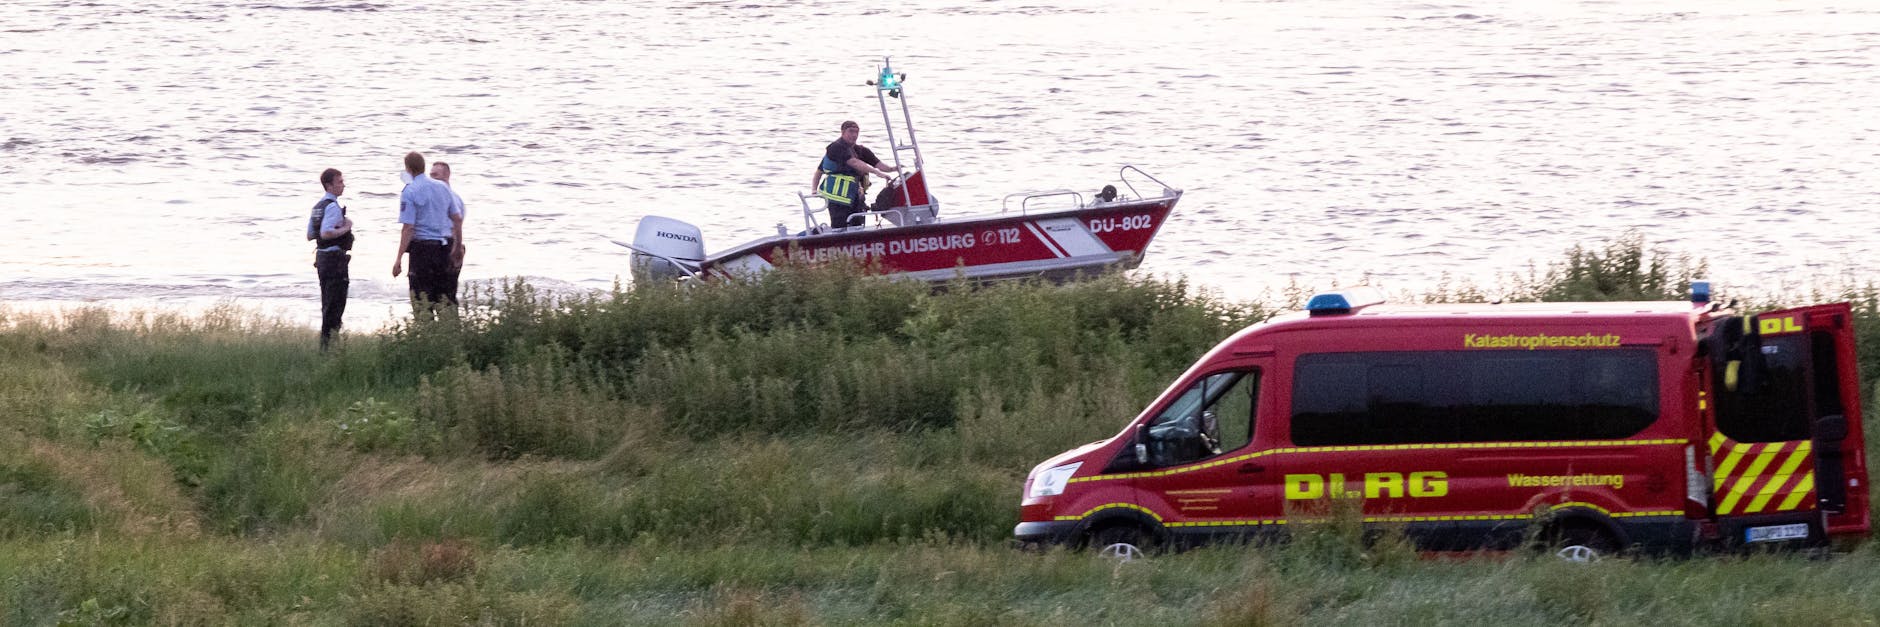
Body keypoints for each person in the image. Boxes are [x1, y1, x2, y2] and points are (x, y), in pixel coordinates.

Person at [391, 151, 463, 320]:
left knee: (421, 300)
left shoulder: (410, 191)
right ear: (423, 167)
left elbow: (408, 228)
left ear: (408, 169)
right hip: (445, 247)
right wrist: (457, 246)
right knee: (445, 298)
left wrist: (399, 258)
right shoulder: (443, 187)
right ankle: (452, 339)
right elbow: (457, 219)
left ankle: (426, 338)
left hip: (422, 250)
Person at [812, 120, 897, 230]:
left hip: (855, 197)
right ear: (842, 132)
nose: (854, 135)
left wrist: (893, 169)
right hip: (837, 198)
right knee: (840, 227)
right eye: (851, 131)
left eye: (856, 132)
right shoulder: (835, 148)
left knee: (858, 225)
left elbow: (879, 164)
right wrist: (814, 189)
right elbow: (854, 163)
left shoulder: (860, 150)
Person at [310, 168, 353, 351]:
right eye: (340, 182)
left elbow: (310, 234)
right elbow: (325, 232)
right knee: (336, 305)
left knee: (327, 303)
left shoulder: (317, 207)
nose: (343, 185)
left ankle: (326, 346)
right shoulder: (333, 206)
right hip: (335, 259)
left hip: (322, 259)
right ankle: (330, 348)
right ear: (329, 185)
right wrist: (346, 227)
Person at [430, 161, 467, 306]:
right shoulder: (436, 197)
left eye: (435, 175)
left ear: (446, 176)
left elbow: (456, 225)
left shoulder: (453, 198)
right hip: (440, 246)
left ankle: (450, 327)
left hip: (450, 246)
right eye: (431, 175)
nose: (432, 179)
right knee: (434, 293)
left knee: (447, 296)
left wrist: (456, 249)